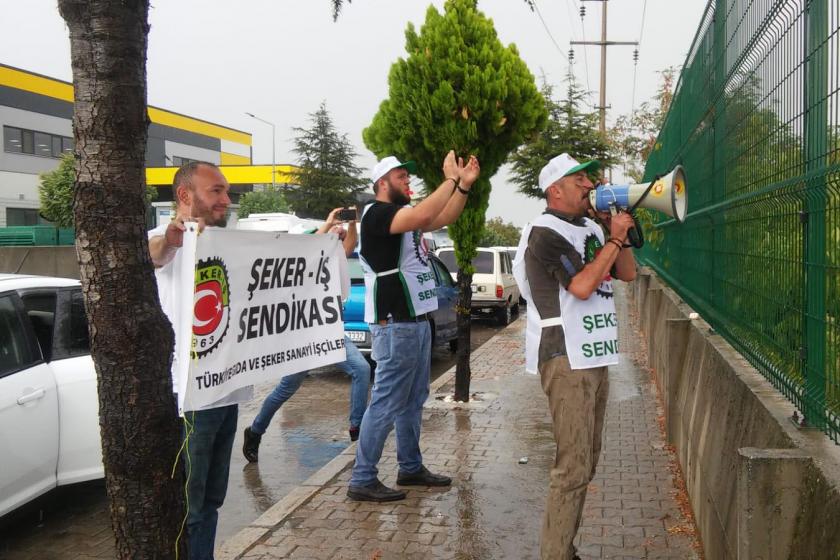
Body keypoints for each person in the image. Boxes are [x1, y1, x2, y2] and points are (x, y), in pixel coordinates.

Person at [512, 153, 636, 560]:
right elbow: (582, 286)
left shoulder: (590, 227)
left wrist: (615, 230)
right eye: (578, 180)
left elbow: (628, 273)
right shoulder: (544, 233)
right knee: (572, 467)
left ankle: (565, 548)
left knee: (587, 462)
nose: (588, 185)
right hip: (565, 356)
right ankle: (555, 554)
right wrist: (614, 238)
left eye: (587, 179)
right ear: (555, 189)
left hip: (593, 354)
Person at [347, 151, 480, 502]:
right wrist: (450, 179)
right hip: (395, 322)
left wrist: (463, 187)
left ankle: (410, 467)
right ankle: (362, 478)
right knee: (388, 400)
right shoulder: (376, 214)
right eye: (401, 177)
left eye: (408, 177)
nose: (408, 182)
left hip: (416, 320)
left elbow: (440, 214)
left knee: (412, 399)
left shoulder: (402, 220)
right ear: (382, 183)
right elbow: (424, 212)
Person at [148, 161, 237, 560]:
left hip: (228, 391)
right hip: (191, 401)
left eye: (226, 191)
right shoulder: (166, 237)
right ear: (185, 196)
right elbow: (156, 253)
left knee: (211, 500)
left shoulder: (227, 242)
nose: (226, 199)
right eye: (216, 190)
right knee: (193, 507)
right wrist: (171, 237)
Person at [241, 208, 371, 463]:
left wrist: (352, 224)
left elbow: (351, 244)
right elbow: (305, 247)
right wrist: (328, 224)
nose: (338, 235)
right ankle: (255, 430)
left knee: (362, 369)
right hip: (304, 335)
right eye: (333, 234)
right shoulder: (300, 262)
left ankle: (356, 429)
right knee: (286, 388)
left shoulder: (334, 260)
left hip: (331, 332)